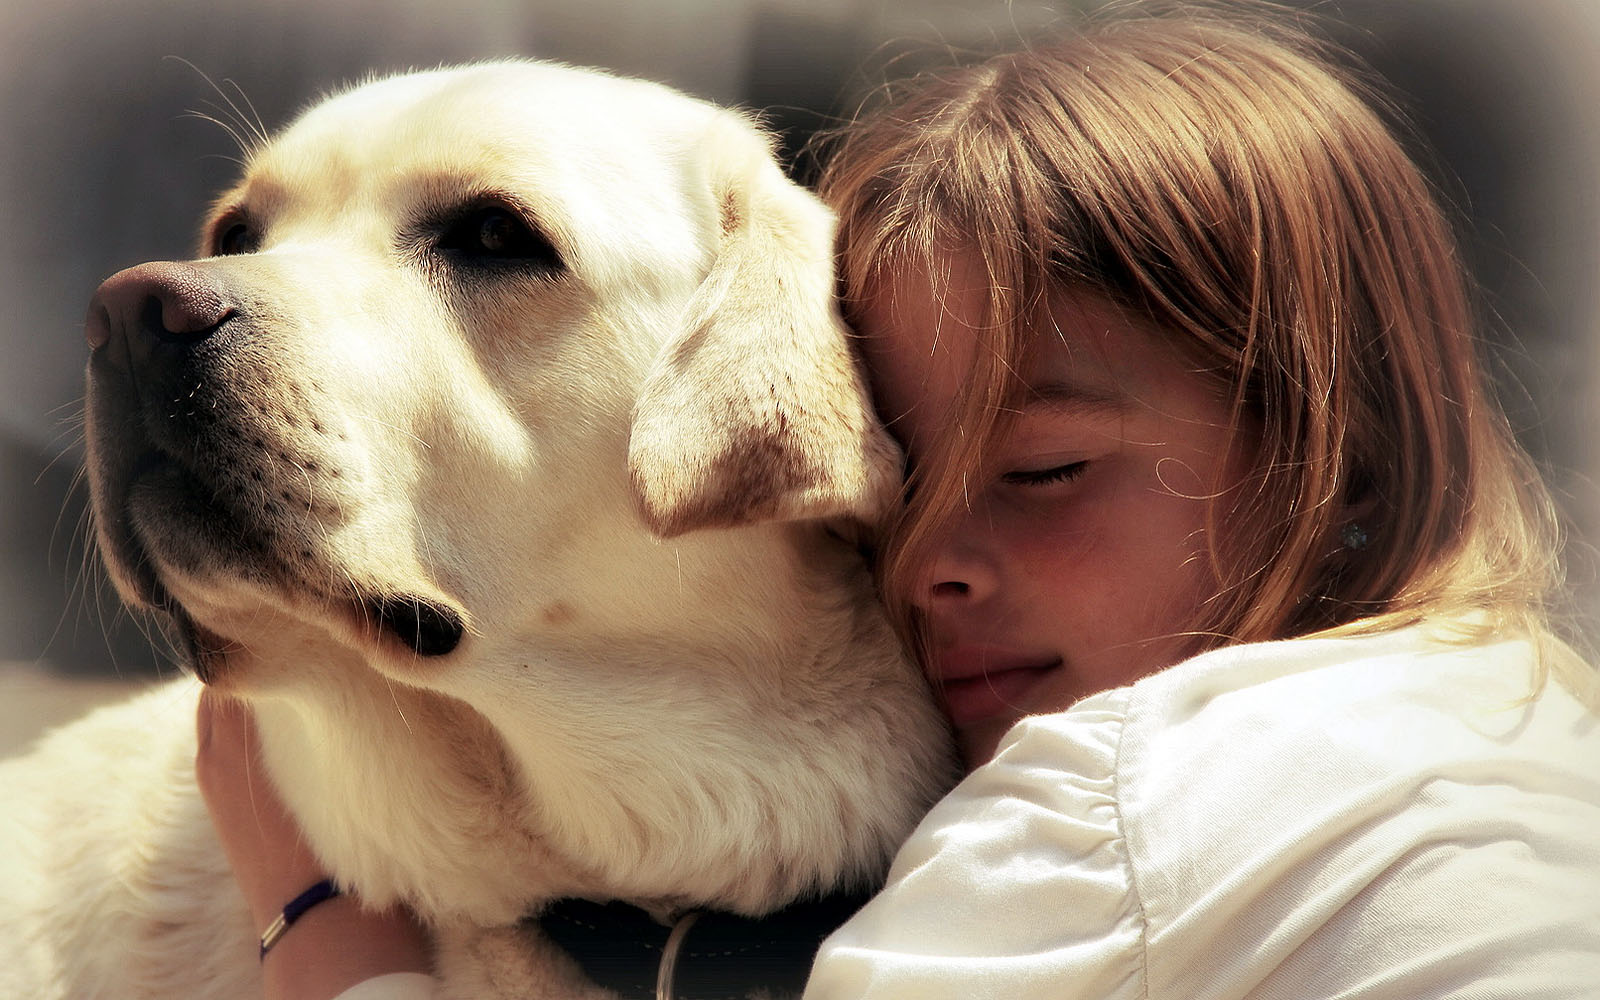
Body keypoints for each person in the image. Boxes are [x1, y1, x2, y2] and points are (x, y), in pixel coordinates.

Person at [197, 4, 1600, 998]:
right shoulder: (1519, 724)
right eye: (889, 486)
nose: (923, 567)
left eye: (1043, 473)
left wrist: (320, 937)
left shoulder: (1116, 804)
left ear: (1344, 466)